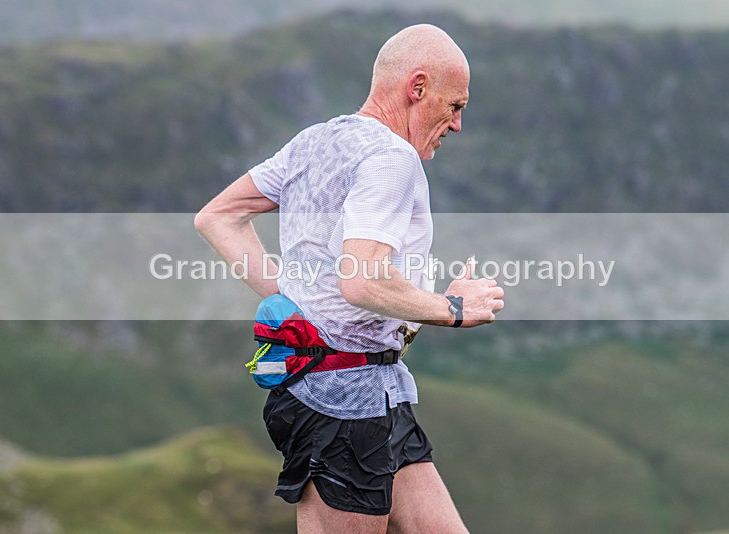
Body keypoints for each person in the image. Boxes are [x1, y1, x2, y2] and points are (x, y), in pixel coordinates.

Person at [195, 23, 504, 533]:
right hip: (339, 404)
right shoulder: (392, 157)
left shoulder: (313, 142)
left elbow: (218, 217)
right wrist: (452, 309)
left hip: (374, 390)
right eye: (454, 106)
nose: (457, 125)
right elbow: (361, 282)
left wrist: (293, 302)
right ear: (417, 87)